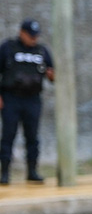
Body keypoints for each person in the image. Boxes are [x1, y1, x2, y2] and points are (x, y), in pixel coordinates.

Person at [0, 19, 55, 184]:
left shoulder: (41, 51)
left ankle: (32, 171)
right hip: (11, 98)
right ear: (21, 33)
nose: (33, 39)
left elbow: (52, 74)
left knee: (32, 136)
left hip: (32, 99)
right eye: (30, 36)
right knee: (8, 135)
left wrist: (52, 74)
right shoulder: (8, 48)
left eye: (36, 36)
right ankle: (4, 173)